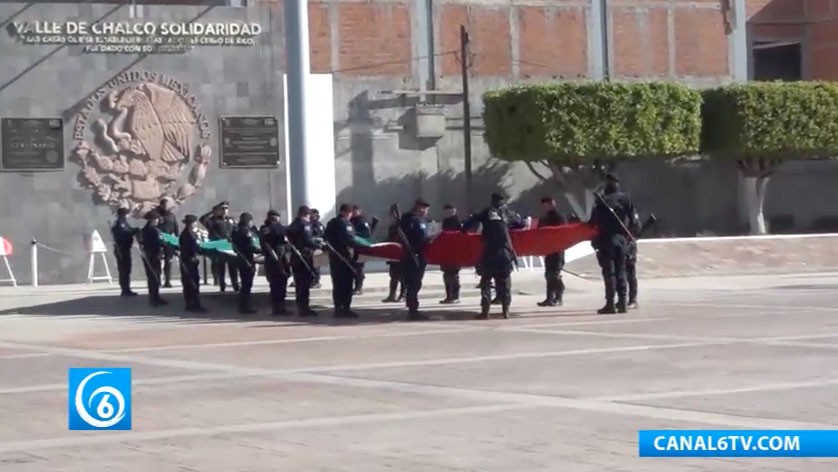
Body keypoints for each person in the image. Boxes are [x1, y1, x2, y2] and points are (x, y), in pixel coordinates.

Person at [462, 193, 525, 319]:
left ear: (492, 201)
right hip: (505, 253)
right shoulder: (508, 213)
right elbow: (521, 223)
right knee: (504, 282)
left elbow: (468, 225)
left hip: (489, 252)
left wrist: (464, 230)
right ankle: (505, 311)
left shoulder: (486, 212)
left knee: (486, 282)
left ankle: (485, 312)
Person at [589, 174, 638, 314]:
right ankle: (622, 302)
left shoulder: (601, 201)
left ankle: (610, 303)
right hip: (622, 239)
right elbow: (633, 220)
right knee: (621, 270)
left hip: (606, 240)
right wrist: (632, 236)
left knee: (609, 272)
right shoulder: (626, 199)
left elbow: (593, 222)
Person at [324, 203, 361, 318]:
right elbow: (348, 239)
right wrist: (361, 246)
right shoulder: (345, 223)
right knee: (346, 284)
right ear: (347, 212)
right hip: (344, 257)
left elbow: (326, 238)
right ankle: (345, 308)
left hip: (334, 258)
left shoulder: (331, 222)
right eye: (350, 214)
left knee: (337, 284)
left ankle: (338, 308)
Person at [399, 198, 431, 320]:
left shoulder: (405, 219)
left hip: (406, 255)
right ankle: (413, 309)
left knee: (410, 283)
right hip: (416, 255)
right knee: (415, 283)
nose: (425, 212)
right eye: (425, 209)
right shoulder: (417, 220)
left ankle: (411, 307)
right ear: (420, 208)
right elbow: (422, 238)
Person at [286, 205, 320, 317]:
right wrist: (317, 245)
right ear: (307, 214)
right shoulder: (304, 225)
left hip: (295, 256)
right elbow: (307, 240)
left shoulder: (293, 225)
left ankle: (301, 307)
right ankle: (304, 308)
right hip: (304, 256)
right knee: (305, 283)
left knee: (299, 282)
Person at [200, 201, 239, 292]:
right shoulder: (214, 220)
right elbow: (202, 219)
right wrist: (212, 212)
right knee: (220, 267)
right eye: (222, 209)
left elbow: (236, 230)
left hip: (230, 247)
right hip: (219, 247)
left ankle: (235, 284)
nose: (225, 210)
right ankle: (221, 284)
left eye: (226, 208)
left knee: (232, 267)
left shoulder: (231, 220)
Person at [259, 210, 291, 315]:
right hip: (273, 258)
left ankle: (280, 306)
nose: (276, 220)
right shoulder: (266, 229)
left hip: (282, 258)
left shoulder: (281, 228)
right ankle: (277, 307)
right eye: (274, 218)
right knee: (275, 283)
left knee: (282, 282)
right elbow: (264, 244)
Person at [537, 197, 567, 307]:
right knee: (548, 274)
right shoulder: (543, 219)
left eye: (548, 204)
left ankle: (559, 295)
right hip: (548, 250)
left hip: (558, 250)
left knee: (554, 274)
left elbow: (563, 232)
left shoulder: (559, 217)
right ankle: (549, 298)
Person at [231, 212, 259, 314]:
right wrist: (259, 251)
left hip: (240, 259)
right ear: (248, 221)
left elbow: (234, 245)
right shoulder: (246, 231)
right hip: (247, 259)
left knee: (244, 283)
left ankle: (243, 305)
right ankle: (245, 306)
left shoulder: (236, 230)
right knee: (247, 284)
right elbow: (249, 245)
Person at [139, 210, 167, 306]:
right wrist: (165, 244)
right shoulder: (153, 230)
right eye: (157, 219)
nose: (158, 220)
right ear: (153, 220)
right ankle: (154, 298)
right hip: (154, 255)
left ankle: (154, 297)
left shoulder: (144, 229)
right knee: (155, 277)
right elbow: (158, 242)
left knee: (152, 277)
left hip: (149, 255)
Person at [179, 214, 206, 312]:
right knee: (192, 283)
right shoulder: (188, 234)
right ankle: (194, 304)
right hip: (189, 261)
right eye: (194, 222)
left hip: (189, 261)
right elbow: (193, 247)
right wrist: (202, 250)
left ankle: (191, 303)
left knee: (190, 283)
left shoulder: (187, 233)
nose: (196, 224)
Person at [111, 207, 139, 297]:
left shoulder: (123, 222)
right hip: (122, 249)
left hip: (124, 249)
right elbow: (124, 233)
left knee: (125, 270)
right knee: (124, 270)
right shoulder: (121, 223)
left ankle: (126, 288)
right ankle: (125, 289)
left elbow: (129, 230)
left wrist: (134, 230)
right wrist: (133, 232)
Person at [381, 205, 405, 303]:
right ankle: (392, 295)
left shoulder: (402, 226)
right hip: (393, 255)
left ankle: (403, 295)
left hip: (402, 254)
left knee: (402, 277)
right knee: (393, 276)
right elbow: (389, 239)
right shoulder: (392, 227)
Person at [439, 204, 462, 304]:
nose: (449, 213)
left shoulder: (456, 221)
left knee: (453, 275)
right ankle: (449, 296)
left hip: (455, 251)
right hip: (446, 251)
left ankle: (455, 296)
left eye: (451, 210)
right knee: (447, 275)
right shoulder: (446, 221)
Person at [155, 197, 179, 288]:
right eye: (163, 205)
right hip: (159, 240)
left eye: (166, 205)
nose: (165, 207)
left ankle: (167, 280)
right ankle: (157, 280)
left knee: (168, 261)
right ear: (160, 205)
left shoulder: (171, 215)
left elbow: (175, 227)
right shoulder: (156, 215)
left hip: (169, 240)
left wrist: (176, 239)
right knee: (158, 261)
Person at [350, 205, 371, 295]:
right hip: (352, 247)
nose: (353, 213)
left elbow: (366, 233)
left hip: (361, 247)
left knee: (359, 268)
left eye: (355, 211)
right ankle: (355, 287)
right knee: (353, 267)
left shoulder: (362, 220)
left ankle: (359, 287)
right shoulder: (351, 220)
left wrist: (355, 234)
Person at [627, 206, 642, 309]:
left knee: (630, 272)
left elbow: (637, 228)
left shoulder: (630, 212)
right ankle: (622, 299)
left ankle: (633, 299)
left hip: (629, 243)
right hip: (622, 242)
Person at [310, 208, 325, 288]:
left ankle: (316, 281)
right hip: (317, 246)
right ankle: (314, 280)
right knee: (314, 265)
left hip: (316, 247)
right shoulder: (319, 224)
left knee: (316, 265)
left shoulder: (316, 224)